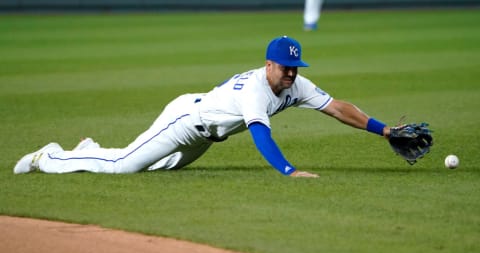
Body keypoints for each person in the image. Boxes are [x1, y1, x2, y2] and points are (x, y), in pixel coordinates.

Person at [14, 36, 391, 178]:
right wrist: (289, 171)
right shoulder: (256, 91)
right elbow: (261, 133)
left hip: (207, 136)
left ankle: (89, 151)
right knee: (125, 166)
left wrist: (385, 130)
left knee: (155, 168)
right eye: (286, 67)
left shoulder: (296, 84)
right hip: (184, 121)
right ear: (269, 65)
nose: (292, 74)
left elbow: (338, 108)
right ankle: (49, 156)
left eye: (296, 67)